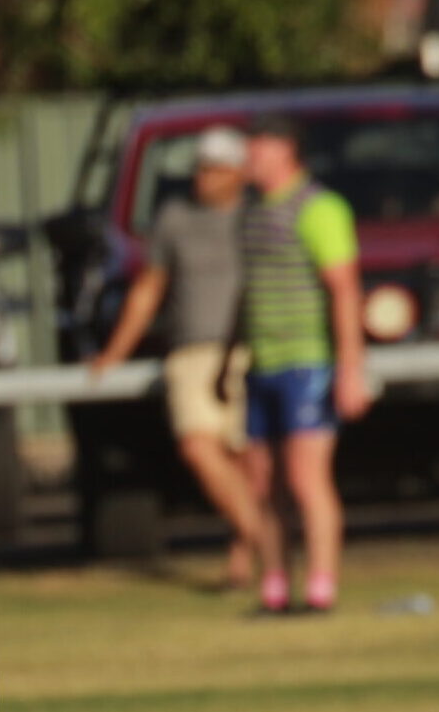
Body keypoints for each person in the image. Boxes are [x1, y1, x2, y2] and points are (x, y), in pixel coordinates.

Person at [92, 126, 261, 587]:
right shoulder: (175, 218)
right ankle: (267, 540)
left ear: (239, 174)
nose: (203, 178)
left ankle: (245, 561)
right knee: (198, 446)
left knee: (248, 458)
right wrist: (115, 352)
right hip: (190, 350)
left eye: (214, 169)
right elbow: (149, 289)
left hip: (248, 348)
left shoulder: (256, 216)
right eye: (200, 168)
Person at [240, 113, 371, 614]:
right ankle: (274, 584)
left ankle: (321, 586)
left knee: (305, 478)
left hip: (307, 362)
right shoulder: (253, 211)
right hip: (262, 362)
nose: (249, 155)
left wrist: (350, 368)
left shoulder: (319, 208)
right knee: (261, 480)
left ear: (284, 148)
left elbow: (344, 289)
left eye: (257, 144)